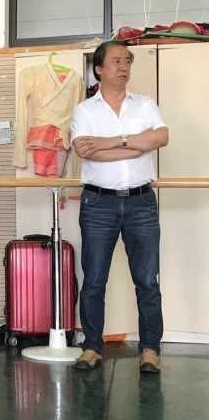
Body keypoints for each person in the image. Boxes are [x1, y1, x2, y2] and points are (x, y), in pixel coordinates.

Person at [70, 40, 168, 374]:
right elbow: (86, 152)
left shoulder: (145, 104)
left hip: (141, 202)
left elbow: (161, 138)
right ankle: (91, 347)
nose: (123, 66)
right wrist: (137, 145)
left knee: (147, 281)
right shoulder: (85, 110)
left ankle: (150, 349)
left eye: (127, 60)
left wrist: (113, 140)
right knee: (94, 280)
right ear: (98, 68)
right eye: (115, 61)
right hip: (98, 203)